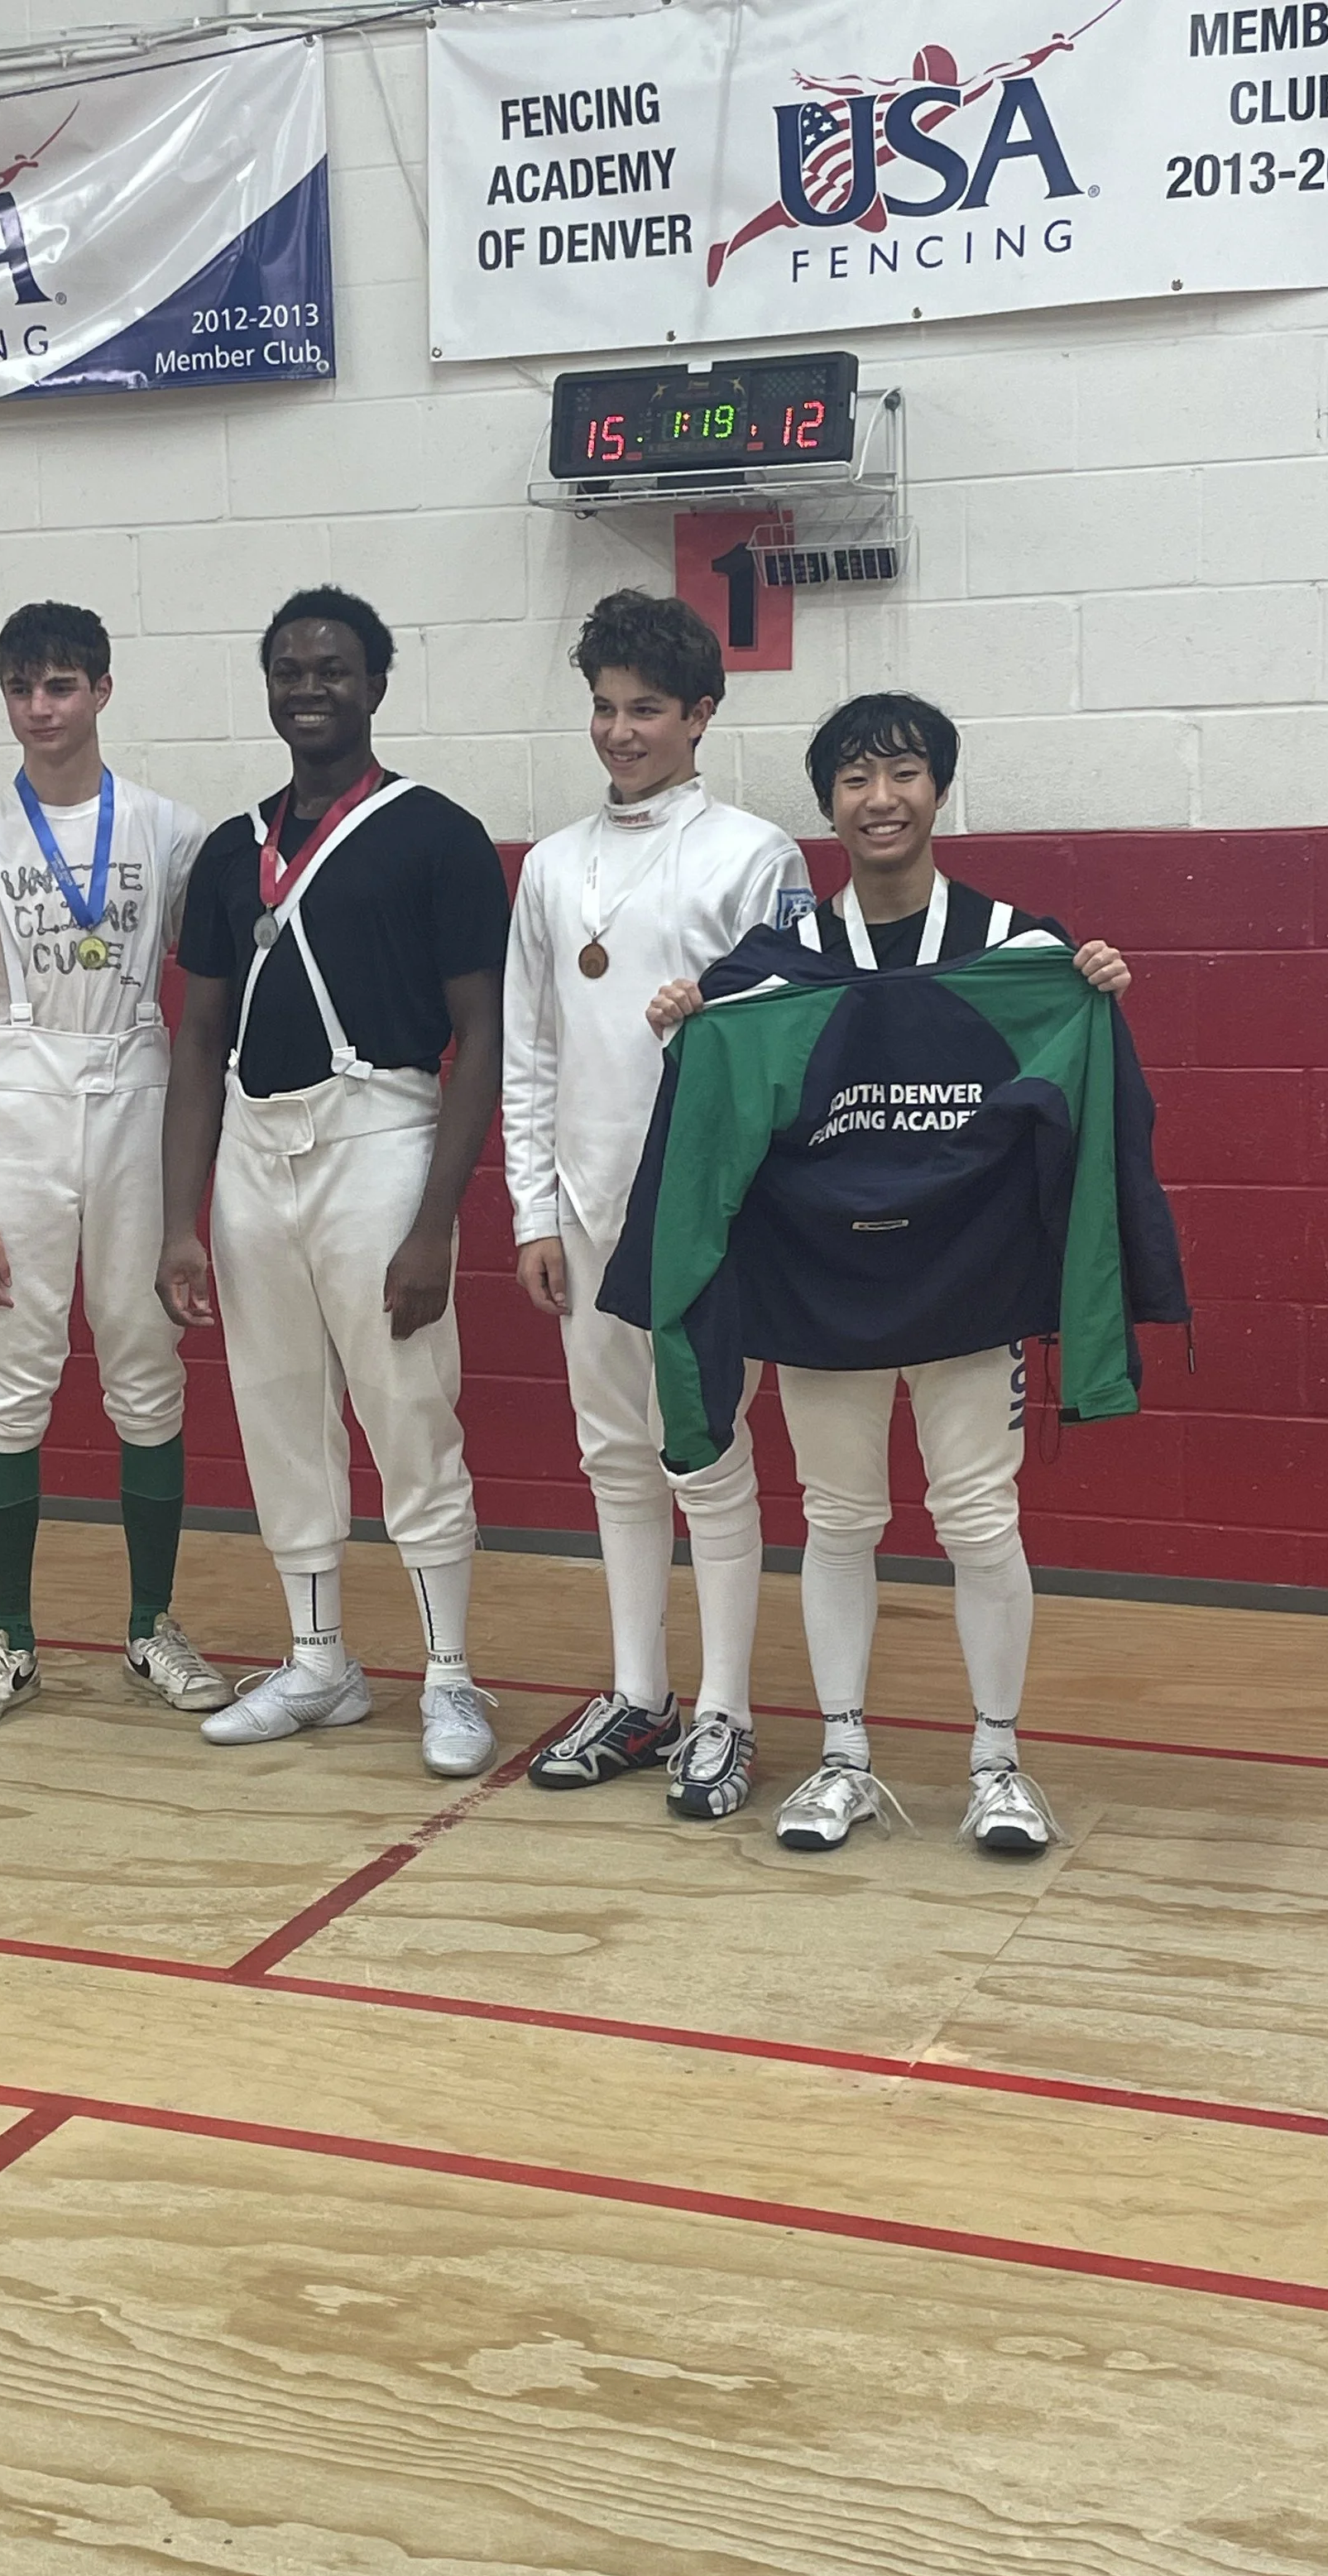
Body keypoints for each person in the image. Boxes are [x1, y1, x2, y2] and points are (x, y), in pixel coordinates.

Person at [631, 691, 1185, 1858]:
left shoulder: (1022, 953)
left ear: (939, 789)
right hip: (823, 1296)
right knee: (839, 1522)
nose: (880, 801)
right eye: (855, 781)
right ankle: (843, 1758)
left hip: (968, 1295)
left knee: (981, 1524)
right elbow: (720, 1105)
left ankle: (997, 1763)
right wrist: (691, 1015)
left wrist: (1092, 989)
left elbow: (1074, 1087)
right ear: (827, 803)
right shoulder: (772, 970)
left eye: (904, 775)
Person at [157, 585, 511, 1777]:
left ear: (376, 684)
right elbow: (198, 1039)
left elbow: (483, 1038)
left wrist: (435, 1224)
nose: (310, 687)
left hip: (382, 1136)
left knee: (409, 1407)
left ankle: (451, 1679)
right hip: (258, 1148)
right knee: (277, 1407)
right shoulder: (228, 848)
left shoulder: (437, 835)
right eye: (290, 670)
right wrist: (181, 1221)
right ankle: (320, 1665)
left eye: (333, 669)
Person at [504, 590, 810, 1816]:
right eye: (604, 708)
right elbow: (532, 1049)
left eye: (645, 709)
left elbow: (782, 1053)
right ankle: (641, 1693)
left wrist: (746, 1219)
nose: (620, 732)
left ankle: (728, 1712)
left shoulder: (755, 854)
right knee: (612, 1457)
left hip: (701, 1223)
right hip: (582, 1213)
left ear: (701, 714)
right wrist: (534, 1208)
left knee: (707, 1453)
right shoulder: (550, 868)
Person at [0, 600, 230, 1731]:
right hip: (17, 1105)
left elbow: (218, 997)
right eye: (20, 688)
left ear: (103, 690)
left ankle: (151, 1626)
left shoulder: (170, 832)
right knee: (12, 1378)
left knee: (147, 1365)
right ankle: (8, 1639)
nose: (40, 709)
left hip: (138, 1094)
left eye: (60, 686)